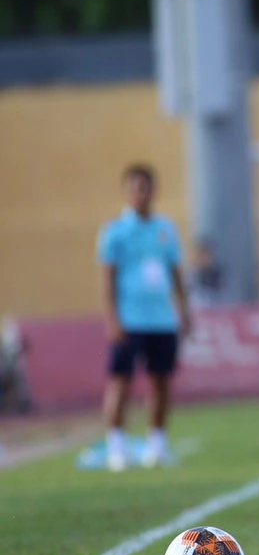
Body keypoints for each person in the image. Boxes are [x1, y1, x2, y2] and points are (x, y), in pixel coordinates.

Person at [97, 164, 191, 471]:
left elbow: (175, 273)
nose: (141, 193)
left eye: (146, 187)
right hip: (130, 319)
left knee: (161, 382)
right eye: (135, 187)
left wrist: (184, 310)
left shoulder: (165, 229)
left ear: (154, 190)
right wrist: (112, 319)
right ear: (127, 192)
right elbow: (108, 279)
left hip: (162, 319)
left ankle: (157, 444)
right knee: (121, 382)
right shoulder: (115, 232)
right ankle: (117, 446)